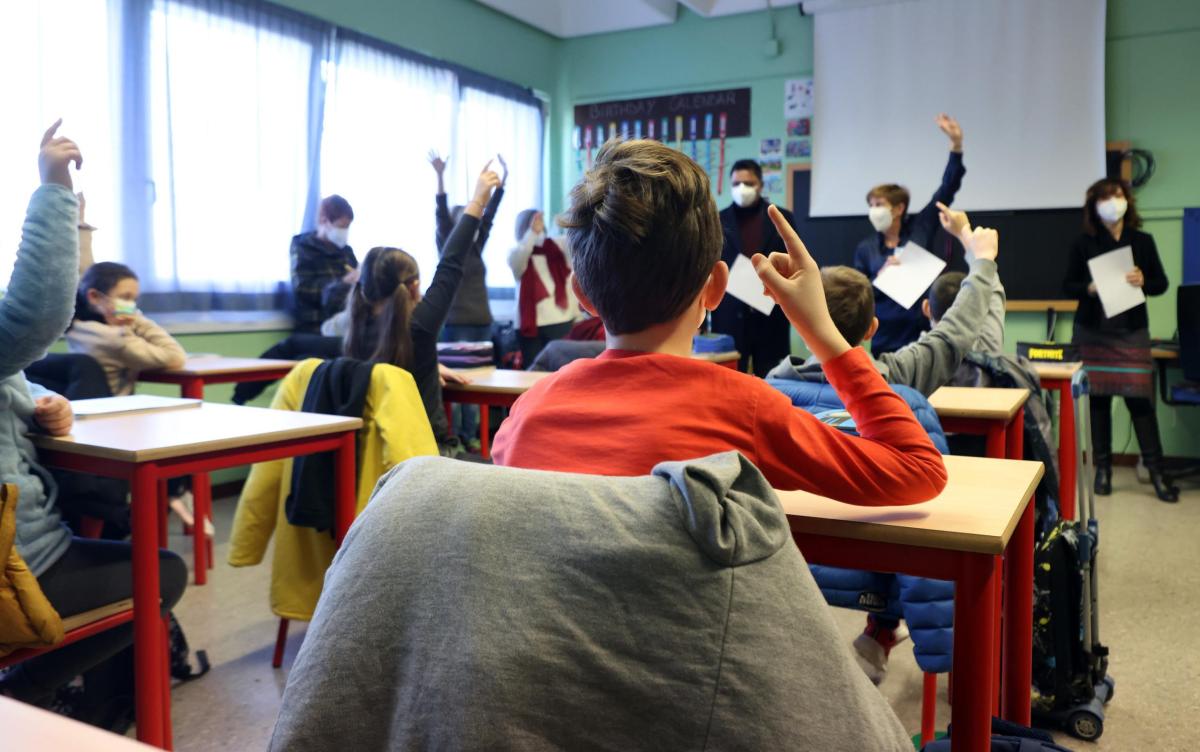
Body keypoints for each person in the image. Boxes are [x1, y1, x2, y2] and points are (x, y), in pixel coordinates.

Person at [491, 139, 947, 506]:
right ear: (715, 288)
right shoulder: (745, 409)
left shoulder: (526, 416)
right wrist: (821, 331)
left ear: (582, 296)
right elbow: (919, 470)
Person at [0, 121, 187, 713]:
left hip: (48, 511)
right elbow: (39, 312)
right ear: (100, 300)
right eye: (121, 295)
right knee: (162, 572)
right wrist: (54, 187)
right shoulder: (92, 331)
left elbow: (11, 380)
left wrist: (39, 409)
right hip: (20, 561)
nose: (130, 304)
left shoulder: (109, 328)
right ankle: (26, 695)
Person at [325, 162, 501, 456]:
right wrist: (478, 200)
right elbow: (451, 263)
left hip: (374, 453)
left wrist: (428, 365)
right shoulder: (418, 328)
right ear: (415, 286)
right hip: (427, 454)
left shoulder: (355, 327)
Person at [770, 203, 1001, 397]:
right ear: (872, 328)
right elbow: (954, 332)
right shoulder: (897, 378)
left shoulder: (776, 386)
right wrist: (982, 260)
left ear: (801, 325)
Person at [1063, 178, 1177, 502]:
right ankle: (1103, 471)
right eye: (1104, 198)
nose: (1112, 203)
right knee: (1097, 400)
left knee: (1140, 401)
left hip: (1131, 332)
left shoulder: (1142, 240)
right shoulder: (1083, 243)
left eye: (1116, 196)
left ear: (1127, 200)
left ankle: (1157, 472)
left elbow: (1161, 284)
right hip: (1093, 331)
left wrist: (1144, 280)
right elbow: (1066, 286)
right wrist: (1088, 288)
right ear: (1094, 206)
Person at [853, 114, 967, 355]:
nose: (873, 210)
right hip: (883, 335)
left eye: (879, 204)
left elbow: (946, 190)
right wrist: (880, 278)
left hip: (919, 331)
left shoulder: (920, 228)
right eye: (870, 204)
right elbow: (857, 294)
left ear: (899, 208)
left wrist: (955, 146)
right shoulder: (866, 248)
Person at [430, 150, 506, 450]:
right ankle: (460, 436)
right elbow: (440, 211)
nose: (473, 227)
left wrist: (502, 184)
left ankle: (473, 435)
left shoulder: (477, 244)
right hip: (457, 321)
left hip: (481, 320)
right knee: (459, 384)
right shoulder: (449, 242)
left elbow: (491, 214)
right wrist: (439, 176)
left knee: (480, 383)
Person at [710, 158, 798, 376]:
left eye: (748, 183)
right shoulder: (718, 219)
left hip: (770, 313)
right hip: (730, 313)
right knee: (728, 379)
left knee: (772, 377)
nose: (742, 189)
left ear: (760, 185)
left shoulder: (781, 217)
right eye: (736, 184)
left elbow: (794, 260)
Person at [66, 262, 186, 396]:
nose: (131, 306)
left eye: (134, 300)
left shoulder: (77, 327)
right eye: (125, 298)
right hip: (116, 411)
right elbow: (175, 356)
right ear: (94, 296)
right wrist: (137, 319)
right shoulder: (114, 338)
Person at [508, 209, 579, 367]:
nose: (538, 224)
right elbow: (519, 258)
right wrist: (531, 233)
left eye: (539, 221)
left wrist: (570, 218)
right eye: (532, 222)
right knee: (533, 372)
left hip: (560, 320)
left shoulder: (558, 247)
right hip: (528, 324)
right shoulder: (516, 252)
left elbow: (576, 241)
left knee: (561, 372)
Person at [290, 195, 358, 334]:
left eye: (348, 227)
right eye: (341, 226)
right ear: (324, 220)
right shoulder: (303, 246)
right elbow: (303, 288)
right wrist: (343, 282)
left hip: (344, 324)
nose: (345, 232)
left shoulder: (346, 251)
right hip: (314, 326)